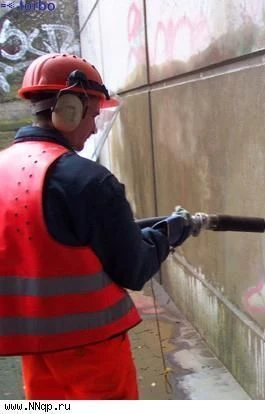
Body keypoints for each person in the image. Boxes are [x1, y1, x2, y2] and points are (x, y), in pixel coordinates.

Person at [0, 53, 191, 400]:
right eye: (94, 114)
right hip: (92, 351)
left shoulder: (5, 168)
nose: (93, 128)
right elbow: (134, 268)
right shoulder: (89, 182)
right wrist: (169, 234)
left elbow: (49, 241)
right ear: (70, 108)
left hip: (34, 346)